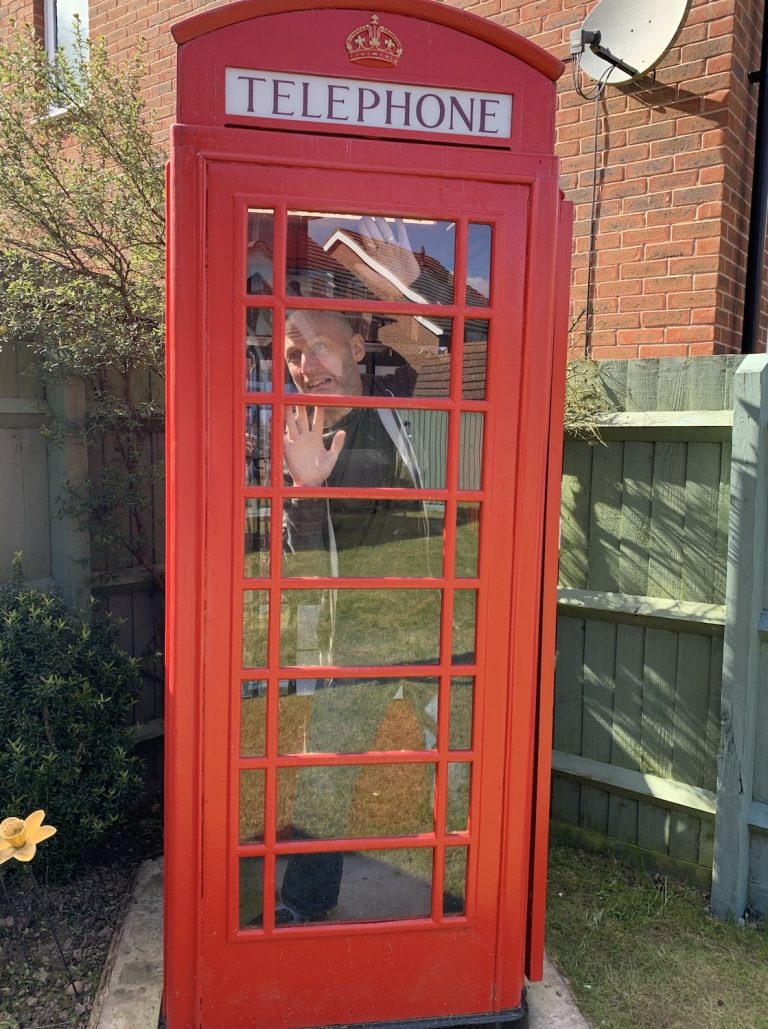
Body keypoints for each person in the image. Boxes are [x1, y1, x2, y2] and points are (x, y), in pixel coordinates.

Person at [277, 308, 435, 924]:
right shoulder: (300, 436)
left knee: (452, 763)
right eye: (294, 353)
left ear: (358, 350)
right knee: (329, 770)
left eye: (319, 347)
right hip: (359, 634)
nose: (306, 366)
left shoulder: (396, 407)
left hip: (429, 621)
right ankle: (303, 904)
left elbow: (439, 348)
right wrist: (306, 492)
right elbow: (302, 572)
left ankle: (459, 896)